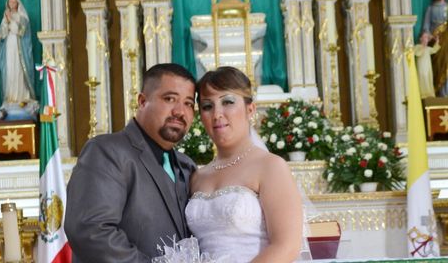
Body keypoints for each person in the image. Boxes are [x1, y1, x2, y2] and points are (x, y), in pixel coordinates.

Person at [65, 63, 197, 263]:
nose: (180, 111)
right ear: (142, 101)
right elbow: (91, 231)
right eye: (170, 99)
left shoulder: (187, 166)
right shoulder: (106, 151)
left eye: (188, 103)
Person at [186, 66, 303, 262]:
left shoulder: (270, 167)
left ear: (250, 109)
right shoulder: (197, 176)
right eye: (207, 106)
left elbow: (286, 246)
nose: (217, 114)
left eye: (228, 102)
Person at [0, 0, 38, 120]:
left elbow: (21, 32)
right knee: (10, 71)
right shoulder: (5, 17)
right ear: (8, 4)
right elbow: (0, 35)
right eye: (10, 2)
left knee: (19, 70)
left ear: (17, 3)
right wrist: (6, 22)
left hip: (20, 50)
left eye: (14, 1)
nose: (12, 3)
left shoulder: (22, 17)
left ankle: (22, 97)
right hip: (9, 47)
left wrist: (11, 21)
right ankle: (11, 97)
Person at [414, 32, 441, 99]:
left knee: (428, 78)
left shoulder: (428, 48)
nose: (426, 39)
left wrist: (437, 41)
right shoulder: (417, 47)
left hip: (428, 67)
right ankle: (422, 94)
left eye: (427, 37)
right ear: (421, 39)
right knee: (422, 78)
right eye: (425, 37)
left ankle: (429, 93)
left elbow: (434, 50)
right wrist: (423, 46)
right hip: (421, 67)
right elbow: (417, 54)